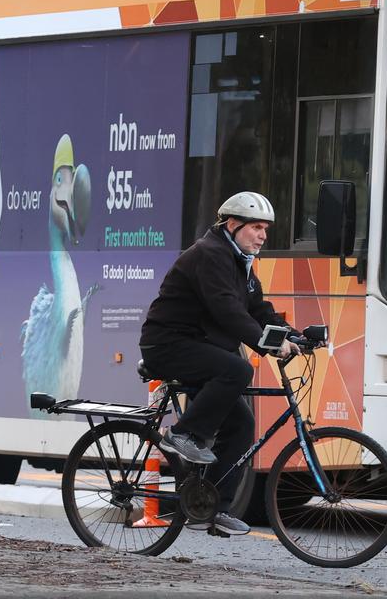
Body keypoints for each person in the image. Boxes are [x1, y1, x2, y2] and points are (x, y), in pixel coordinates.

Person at [139, 190, 296, 536]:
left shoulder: (239, 260)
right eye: (256, 227)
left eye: (265, 229)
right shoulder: (211, 255)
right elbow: (227, 310)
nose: (262, 236)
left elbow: (258, 309)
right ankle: (182, 434)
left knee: (241, 424)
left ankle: (211, 507)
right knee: (238, 369)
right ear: (233, 224)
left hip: (198, 344)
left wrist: (295, 335)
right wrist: (267, 344)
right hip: (168, 343)